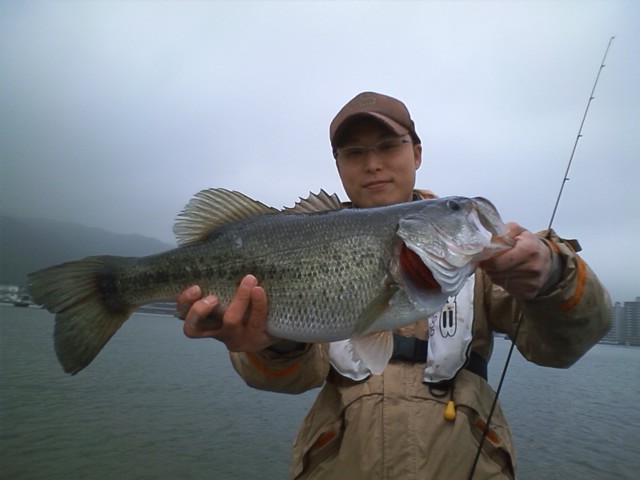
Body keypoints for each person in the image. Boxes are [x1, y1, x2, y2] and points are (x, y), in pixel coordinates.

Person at [176, 92, 611, 479]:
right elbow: (289, 377)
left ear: (416, 153)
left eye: (388, 146)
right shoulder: (304, 236)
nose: (373, 164)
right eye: (354, 152)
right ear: (338, 164)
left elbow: (562, 348)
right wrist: (273, 342)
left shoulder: (484, 261)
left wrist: (553, 275)